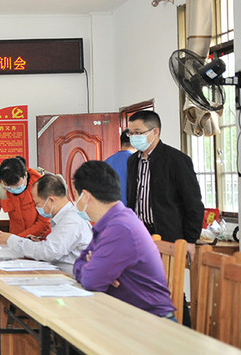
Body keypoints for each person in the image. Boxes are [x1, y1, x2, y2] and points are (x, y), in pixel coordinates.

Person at [71, 161, 176, 319]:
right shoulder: (110, 222)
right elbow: (79, 263)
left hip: (152, 322)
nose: (75, 201)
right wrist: (97, 269)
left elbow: (91, 281)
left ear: (85, 196)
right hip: (128, 315)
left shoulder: (120, 227)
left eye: (76, 195)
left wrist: (97, 270)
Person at [125, 110, 204, 244]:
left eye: (138, 133)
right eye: (130, 133)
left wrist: (191, 240)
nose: (133, 137)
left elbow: (193, 203)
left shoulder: (176, 160)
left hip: (168, 235)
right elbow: (131, 199)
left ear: (155, 131)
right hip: (139, 234)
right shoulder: (132, 161)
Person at [0, 173, 92, 275]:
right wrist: (39, 243)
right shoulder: (63, 217)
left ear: (51, 200)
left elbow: (49, 252)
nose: (37, 207)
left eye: (37, 203)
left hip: (72, 278)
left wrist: (12, 240)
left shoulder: (71, 221)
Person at [0, 156, 51, 241]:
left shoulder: (41, 186)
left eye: (17, 186)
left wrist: (15, 239)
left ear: (25, 175)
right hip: (15, 242)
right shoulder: (1, 189)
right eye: (8, 187)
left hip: (40, 241)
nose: (12, 190)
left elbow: (44, 223)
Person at [104, 129, 135, 206]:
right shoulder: (136, 161)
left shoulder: (107, 161)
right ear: (134, 143)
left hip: (110, 208)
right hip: (131, 208)